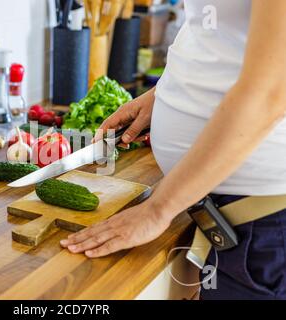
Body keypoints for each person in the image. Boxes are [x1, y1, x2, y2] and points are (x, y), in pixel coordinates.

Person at [60, 0, 286, 299]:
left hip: (261, 224)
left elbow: (271, 92)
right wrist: (165, 91)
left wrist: (158, 210)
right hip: (222, 212)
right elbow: (220, 36)